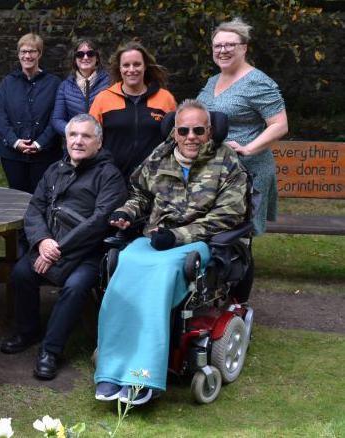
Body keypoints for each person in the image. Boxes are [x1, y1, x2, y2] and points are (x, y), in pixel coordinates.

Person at [94, 100, 248, 406]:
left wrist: (178, 236)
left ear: (210, 131)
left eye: (198, 130)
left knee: (161, 276)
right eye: (184, 130)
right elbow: (139, 193)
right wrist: (125, 211)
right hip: (155, 239)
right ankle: (112, 370)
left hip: (199, 242)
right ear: (174, 133)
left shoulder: (227, 161)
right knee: (124, 264)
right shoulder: (159, 156)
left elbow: (229, 215)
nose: (191, 136)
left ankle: (142, 376)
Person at [0, 114, 126, 380]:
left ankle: (51, 350)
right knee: (21, 273)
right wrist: (43, 241)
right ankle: (27, 331)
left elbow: (99, 220)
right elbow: (35, 207)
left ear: (98, 143)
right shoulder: (55, 169)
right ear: (66, 139)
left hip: (88, 252)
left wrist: (58, 249)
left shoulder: (110, 175)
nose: (78, 141)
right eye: (73, 135)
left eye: (86, 136)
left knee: (75, 287)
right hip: (50, 244)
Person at [198, 18, 288, 235]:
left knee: (238, 233)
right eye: (218, 45)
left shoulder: (257, 82)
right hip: (215, 168)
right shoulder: (213, 80)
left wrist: (247, 149)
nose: (223, 50)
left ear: (244, 48)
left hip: (248, 169)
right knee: (214, 229)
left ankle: (240, 268)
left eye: (230, 45)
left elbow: (280, 124)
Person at [89, 41, 176, 178]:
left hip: (154, 179)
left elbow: (175, 141)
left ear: (145, 66)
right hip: (112, 179)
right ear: (119, 68)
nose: (131, 69)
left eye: (137, 64)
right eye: (126, 65)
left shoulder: (165, 99)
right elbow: (91, 140)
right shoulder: (103, 99)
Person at [0, 33, 62, 193]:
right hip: (12, 154)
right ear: (18, 54)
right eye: (23, 51)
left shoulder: (54, 83)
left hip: (45, 154)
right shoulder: (8, 82)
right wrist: (15, 142)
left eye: (32, 51)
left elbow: (56, 117)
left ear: (39, 54)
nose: (27, 55)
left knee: (42, 195)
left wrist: (39, 143)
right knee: (17, 196)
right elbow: (1, 116)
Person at [51, 38, 111, 137]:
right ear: (75, 59)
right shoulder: (65, 86)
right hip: (76, 145)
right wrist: (74, 132)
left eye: (90, 53)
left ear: (97, 58)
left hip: (104, 143)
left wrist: (98, 133)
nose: (85, 57)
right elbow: (57, 119)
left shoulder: (110, 83)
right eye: (80, 54)